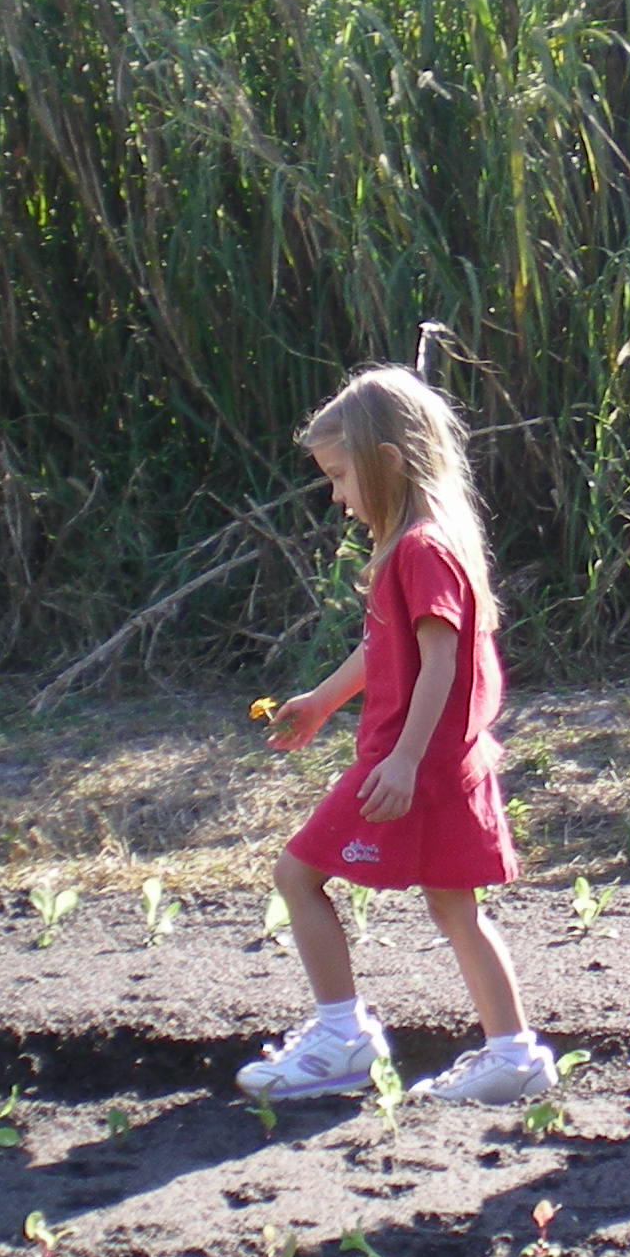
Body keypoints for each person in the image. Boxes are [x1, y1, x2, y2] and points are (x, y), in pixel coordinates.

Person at [235, 366, 557, 1105]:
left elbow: (442, 660)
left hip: (416, 766)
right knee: (454, 909)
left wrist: (406, 759)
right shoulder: (424, 542)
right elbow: (390, 646)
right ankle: (514, 1055)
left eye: (342, 477)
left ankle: (341, 1039)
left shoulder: (418, 547)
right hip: (449, 764)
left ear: (387, 461)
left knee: (296, 875)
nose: (337, 496)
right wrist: (321, 700)